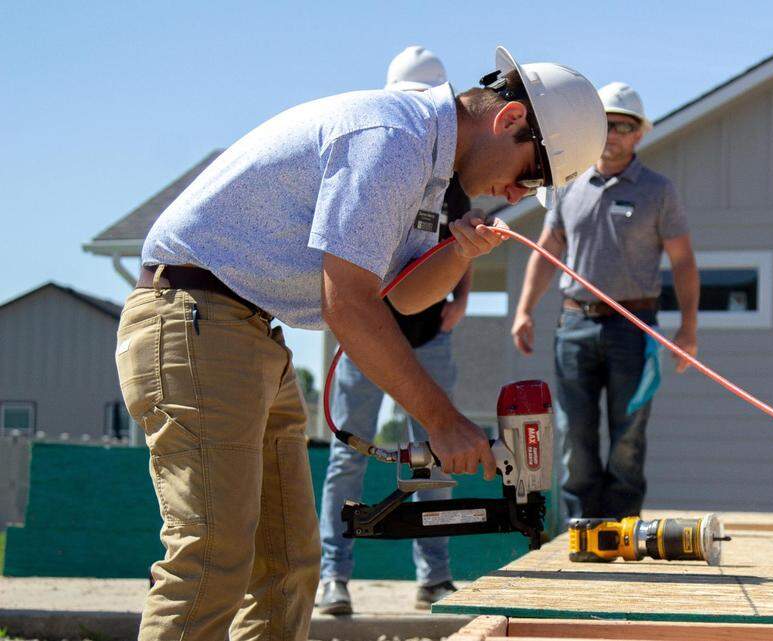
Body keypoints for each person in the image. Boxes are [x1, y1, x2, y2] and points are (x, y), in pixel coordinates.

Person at [114, 46, 605, 641]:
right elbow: (346, 301)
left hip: (245, 333)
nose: (518, 194)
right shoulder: (393, 137)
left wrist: (458, 252)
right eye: (533, 175)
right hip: (195, 321)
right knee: (212, 555)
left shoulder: (425, 166)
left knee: (289, 565)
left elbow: (404, 298)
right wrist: (441, 421)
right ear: (509, 121)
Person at [315, 45, 469, 616]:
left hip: (430, 336)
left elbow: (462, 242)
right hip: (367, 338)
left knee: (434, 454)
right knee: (348, 456)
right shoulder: (374, 159)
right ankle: (335, 578)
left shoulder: (454, 178)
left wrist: (459, 300)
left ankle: (435, 579)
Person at [511, 82, 699, 521]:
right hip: (574, 325)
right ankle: (581, 528)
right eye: (606, 124)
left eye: (623, 126)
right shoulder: (568, 186)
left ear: (639, 135)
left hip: (634, 326)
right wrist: (523, 310)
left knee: (628, 434)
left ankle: (622, 527)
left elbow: (684, 261)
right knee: (573, 433)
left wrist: (688, 327)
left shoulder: (658, 191)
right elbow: (547, 250)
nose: (613, 133)